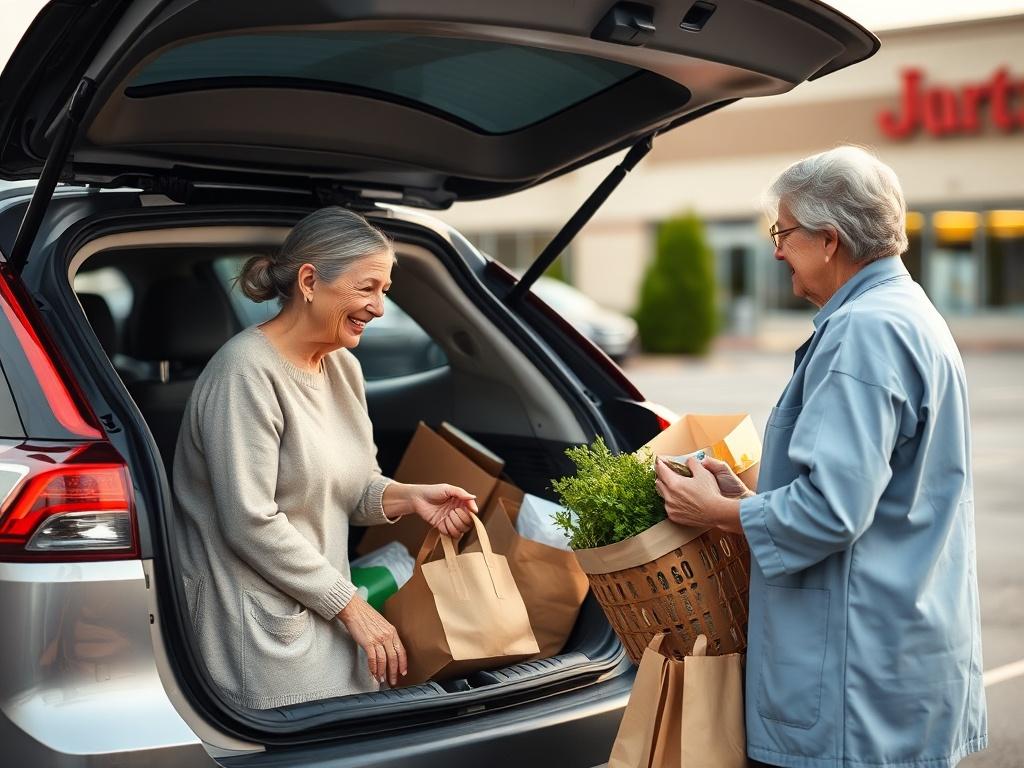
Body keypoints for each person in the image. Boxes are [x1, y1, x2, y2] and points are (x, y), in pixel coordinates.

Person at [654, 146, 987, 767]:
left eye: (783, 232)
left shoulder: (864, 332)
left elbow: (831, 513)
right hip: (897, 662)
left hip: (851, 686)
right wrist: (747, 501)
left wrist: (715, 514)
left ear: (829, 239)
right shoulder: (909, 315)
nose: (776, 250)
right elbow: (872, 497)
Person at [173, 207, 478, 709]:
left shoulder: (343, 368)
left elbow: (354, 488)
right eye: (367, 288)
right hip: (261, 636)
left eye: (385, 289)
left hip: (330, 623)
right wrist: (352, 606)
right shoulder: (244, 374)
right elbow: (249, 521)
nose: (380, 308)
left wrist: (409, 497)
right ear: (310, 281)